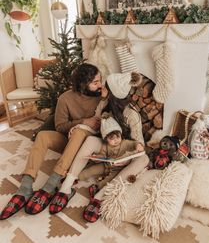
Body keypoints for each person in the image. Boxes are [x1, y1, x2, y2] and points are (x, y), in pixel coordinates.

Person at [0, 63, 103, 220]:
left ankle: (51, 184)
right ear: (83, 85)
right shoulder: (65, 98)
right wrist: (83, 121)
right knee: (42, 136)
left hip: (87, 147)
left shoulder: (101, 98)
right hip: (68, 140)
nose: (100, 85)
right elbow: (60, 126)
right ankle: (25, 186)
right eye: (95, 82)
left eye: (100, 80)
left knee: (80, 132)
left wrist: (84, 126)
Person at [48, 72, 149, 222]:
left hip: (124, 151)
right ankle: (66, 186)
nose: (102, 88)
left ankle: (100, 196)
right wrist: (79, 127)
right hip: (106, 147)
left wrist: (128, 156)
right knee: (89, 141)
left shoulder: (132, 115)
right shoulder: (103, 104)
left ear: (114, 93)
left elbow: (139, 143)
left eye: (106, 87)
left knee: (144, 159)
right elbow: (95, 127)